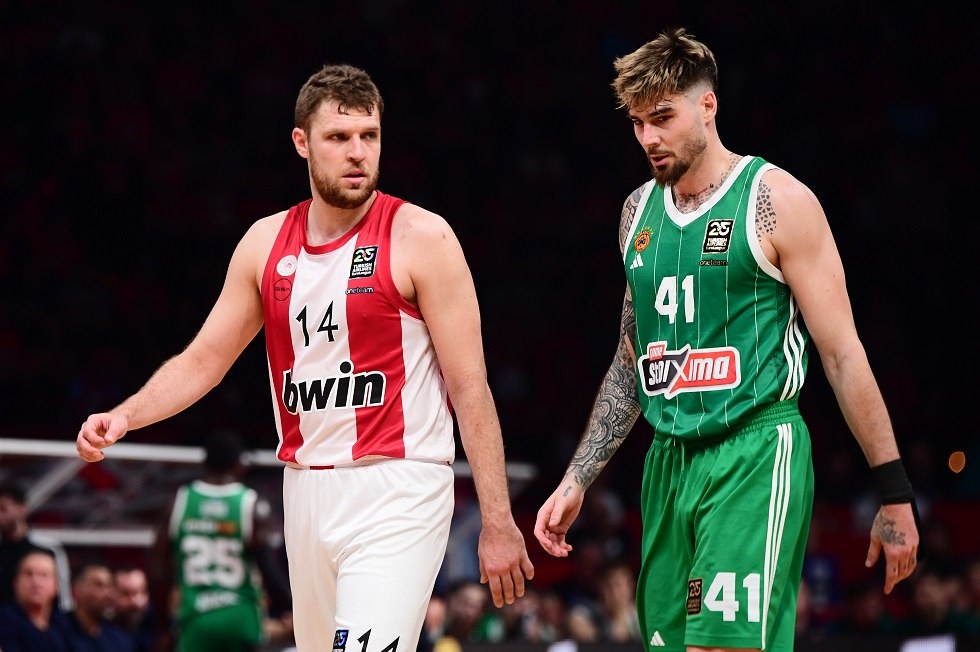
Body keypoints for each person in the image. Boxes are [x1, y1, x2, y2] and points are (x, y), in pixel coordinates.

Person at [75, 62, 533, 651]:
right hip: (305, 490)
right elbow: (204, 359)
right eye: (338, 137)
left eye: (369, 136)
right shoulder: (264, 242)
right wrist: (126, 414)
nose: (357, 152)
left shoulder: (424, 237)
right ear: (302, 143)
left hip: (399, 487)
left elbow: (470, 386)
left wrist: (498, 519)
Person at [534, 27, 919, 651]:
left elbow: (843, 354)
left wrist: (894, 492)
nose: (648, 138)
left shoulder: (775, 200)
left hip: (754, 448)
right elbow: (632, 362)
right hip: (669, 461)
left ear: (708, 105)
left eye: (663, 118)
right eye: (637, 123)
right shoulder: (637, 213)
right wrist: (578, 478)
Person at [157, 429, 291, 652]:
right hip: (240, 616)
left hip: (196, 617)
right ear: (239, 463)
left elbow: (158, 569)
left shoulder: (179, 501)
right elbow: (267, 566)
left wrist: (162, 624)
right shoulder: (250, 503)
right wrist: (288, 605)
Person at [0, 481, 74, 612]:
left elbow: (64, 598)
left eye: (3, 509)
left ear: (22, 508)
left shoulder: (47, 548)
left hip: (40, 620)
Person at [0, 549, 70, 651]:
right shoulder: (4, 622)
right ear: (15, 583)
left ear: (56, 585)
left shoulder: (64, 624)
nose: (36, 582)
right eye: (28, 574)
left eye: (44, 575)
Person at [64, 561, 135, 651]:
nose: (109, 594)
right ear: (75, 591)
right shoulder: (56, 634)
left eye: (110, 586)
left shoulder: (120, 641)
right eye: (99, 586)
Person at [111, 565, 156, 652]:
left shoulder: (152, 622)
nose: (137, 602)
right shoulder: (100, 633)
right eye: (126, 594)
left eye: (142, 591)